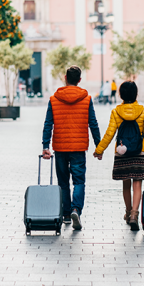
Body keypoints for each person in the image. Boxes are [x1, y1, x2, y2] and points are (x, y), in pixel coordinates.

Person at [93, 81, 144, 231]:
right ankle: (134, 215)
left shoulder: (116, 112)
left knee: (126, 184)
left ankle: (128, 211)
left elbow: (109, 134)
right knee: (137, 184)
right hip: (139, 152)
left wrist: (100, 150)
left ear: (120, 95)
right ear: (136, 94)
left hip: (122, 152)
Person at [42, 66, 101, 230]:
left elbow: (48, 124)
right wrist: (99, 146)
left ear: (65, 77)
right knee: (79, 181)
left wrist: (45, 146)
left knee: (63, 182)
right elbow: (93, 124)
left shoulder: (54, 99)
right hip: (78, 148)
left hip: (60, 147)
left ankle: (66, 214)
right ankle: (76, 209)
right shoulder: (86, 99)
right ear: (79, 80)